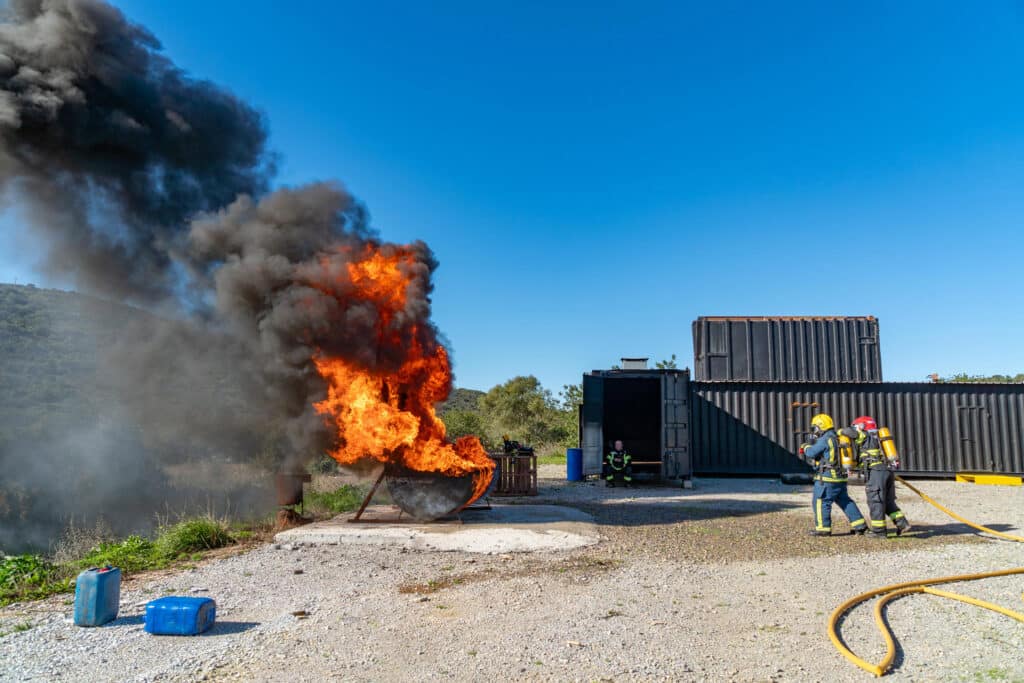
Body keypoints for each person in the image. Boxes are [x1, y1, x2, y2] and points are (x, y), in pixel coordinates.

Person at [842, 416, 911, 538]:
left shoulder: (864, 435)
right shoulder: (878, 436)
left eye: (856, 426)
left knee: (875, 501)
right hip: (887, 471)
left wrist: (839, 432)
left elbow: (847, 432)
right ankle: (902, 524)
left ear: (862, 426)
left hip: (875, 472)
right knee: (888, 501)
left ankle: (879, 532)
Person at [802, 413, 867, 536]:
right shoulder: (837, 437)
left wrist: (805, 446)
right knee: (845, 501)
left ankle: (823, 529)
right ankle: (860, 525)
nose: (815, 431)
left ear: (821, 426)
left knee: (821, 501)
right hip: (840, 477)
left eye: (815, 428)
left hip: (827, 479)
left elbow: (811, 452)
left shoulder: (825, 439)